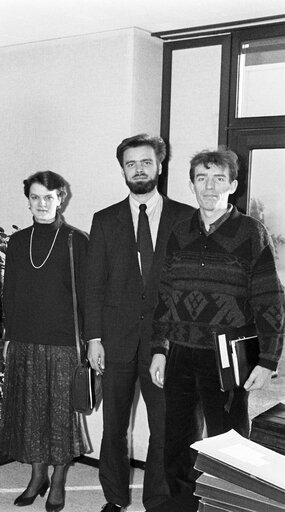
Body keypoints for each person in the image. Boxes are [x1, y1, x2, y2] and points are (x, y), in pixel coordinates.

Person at [150, 148, 285, 509]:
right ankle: (182, 507)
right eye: (201, 179)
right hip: (180, 352)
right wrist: (158, 349)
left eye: (218, 179)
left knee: (230, 445)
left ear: (233, 185)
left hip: (228, 356)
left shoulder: (251, 234)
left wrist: (268, 359)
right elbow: (165, 296)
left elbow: (270, 300)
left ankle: (227, 507)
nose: (209, 187)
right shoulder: (179, 233)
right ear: (192, 184)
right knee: (176, 443)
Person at [84, 134, 195, 512]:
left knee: (165, 428)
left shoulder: (185, 218)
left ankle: (159, 502)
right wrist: (93, 337)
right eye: (131, 164)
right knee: (114, 428)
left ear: (160, 166)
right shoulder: (104, 220)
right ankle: (114, 499)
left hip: (164, 345)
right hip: (114, 340)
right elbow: (93, 284)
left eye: (145, 162)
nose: (139, 170)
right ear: (123, 170)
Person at [0, 171, 89, 511]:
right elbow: (12, 294)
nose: (41, 204)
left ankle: (60, 481)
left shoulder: (76, 240)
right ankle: (38, 477)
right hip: (25, 342)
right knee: (30, 413)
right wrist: (10, 335)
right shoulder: (19, 242)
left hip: (64, 344)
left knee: (60, 416)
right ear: (28, 201)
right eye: (35, 198)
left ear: (60, 198)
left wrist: (91, 342)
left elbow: (88, 298)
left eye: (48, 197)